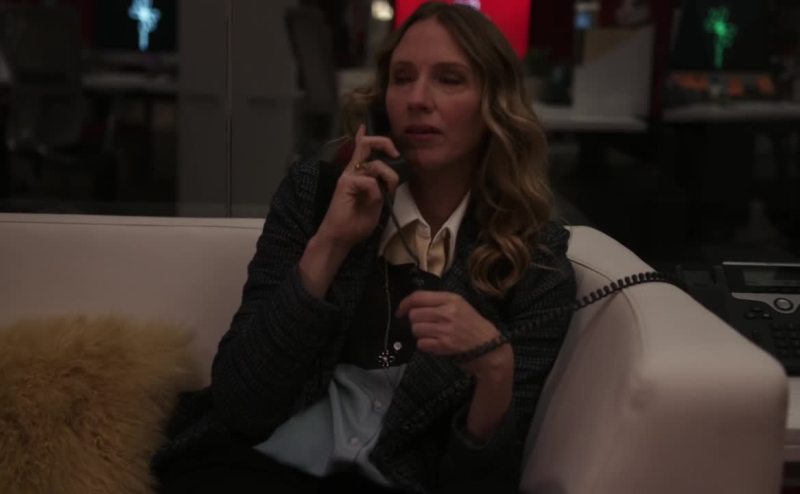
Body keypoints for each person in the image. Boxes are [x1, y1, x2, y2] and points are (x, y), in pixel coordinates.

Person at [153, 3, 576, 493]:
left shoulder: (534, 263)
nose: (418, 99)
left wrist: (495, 372)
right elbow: (240, 402)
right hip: (254, 465)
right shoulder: (315, 195)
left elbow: (478, 485)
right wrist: (331, 244)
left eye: (449, 79)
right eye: (402, 78)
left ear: (494, 104)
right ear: (381, 102)